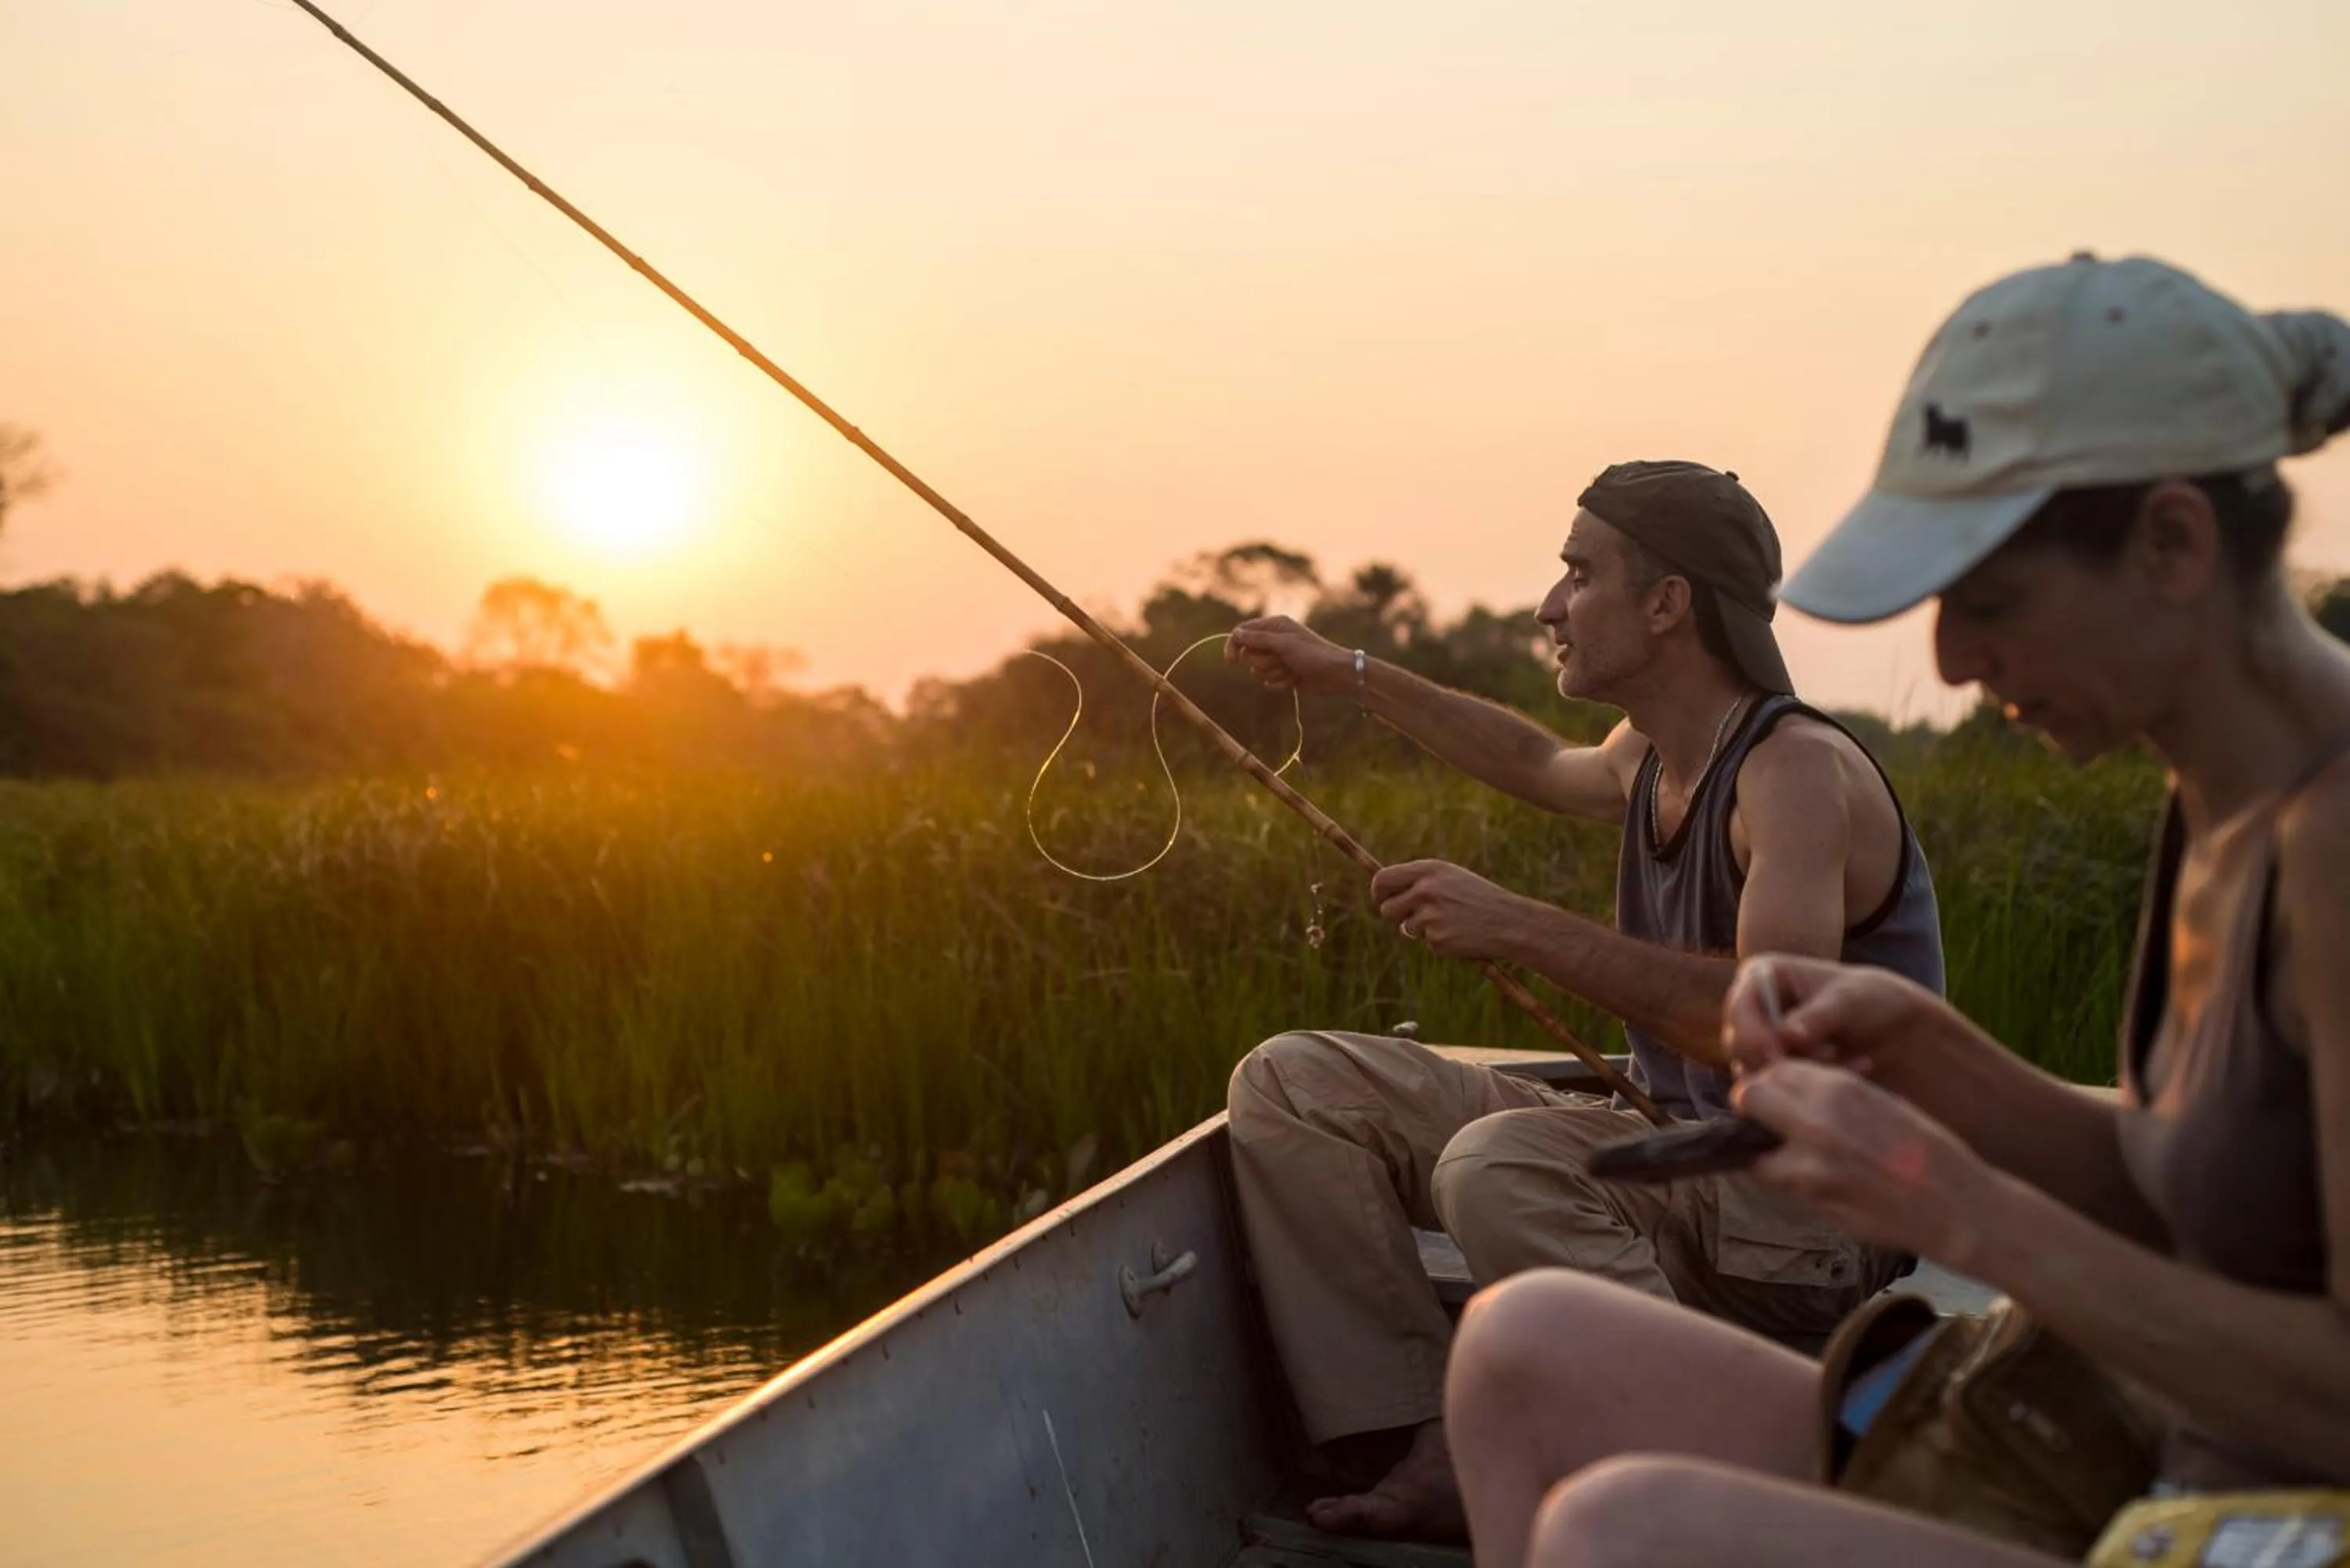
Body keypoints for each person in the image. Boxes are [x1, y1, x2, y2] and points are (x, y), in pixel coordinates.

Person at [1444, 255, 2350, 1568]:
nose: (1949, 661)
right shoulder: (2218, 793)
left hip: (2266, 1525)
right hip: (2131, 1449)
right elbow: (2207, 1195)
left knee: (1620, 1530)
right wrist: (1943, 1067)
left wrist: (1956, 1208)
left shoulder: (2333, 848)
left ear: (2173, 543)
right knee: (1524, 1346)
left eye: (1991, 600)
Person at [1220, 460, 1945, 1539]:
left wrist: (1519, 927)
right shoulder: (1649, 751)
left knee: (1495, 1163)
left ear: (1666, 604)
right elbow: (1530, 757)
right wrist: (1347, 670)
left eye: (1578, 573)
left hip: (1801, 1210)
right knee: (1292, 1082)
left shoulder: (1792, 773)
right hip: (1667, 1149)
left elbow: (1763, 1029)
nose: (1549, 605)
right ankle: (1429, 1436)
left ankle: (1713, 1481)